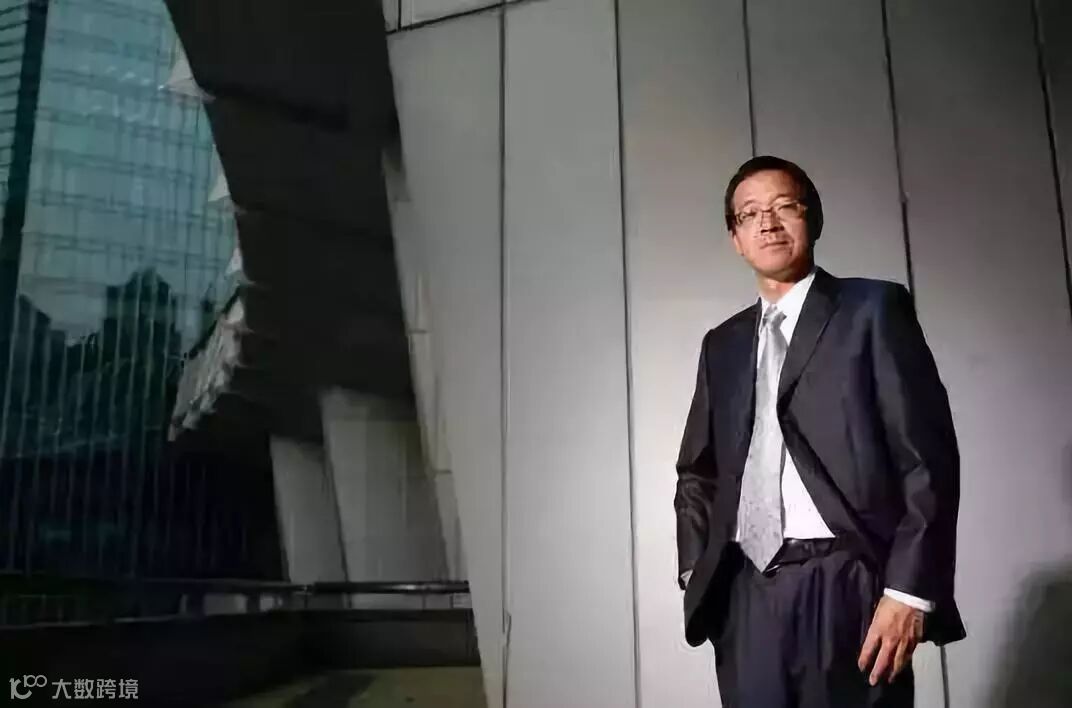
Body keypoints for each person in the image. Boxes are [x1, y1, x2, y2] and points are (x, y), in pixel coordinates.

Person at [675, 155, 965, 707]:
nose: (767, 223)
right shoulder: (722, 344)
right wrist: (698, 568)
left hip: (848, 580)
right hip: (745, 592)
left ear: (814, 217)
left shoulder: (873, 309)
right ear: (736, 238)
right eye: (749, 214)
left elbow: (926, 459)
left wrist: (908, 592)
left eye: (784, 206)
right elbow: (698, 471)